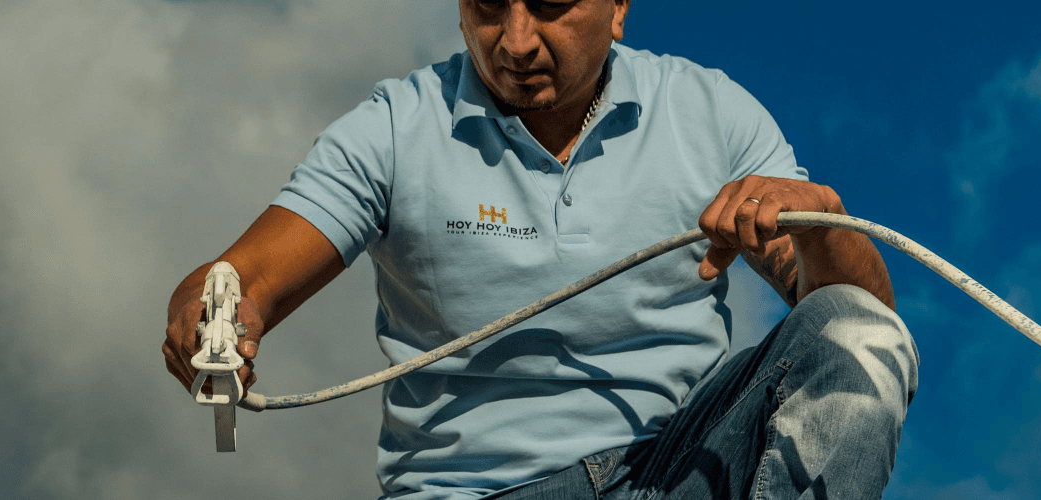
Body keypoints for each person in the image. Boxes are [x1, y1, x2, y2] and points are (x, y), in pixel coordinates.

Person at [162, 1, 918, 498]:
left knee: (856, 337)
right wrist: (211, 319)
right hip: (471, 492)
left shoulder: (711, 113)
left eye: (551, 5)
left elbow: (865, 327)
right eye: (489, 5)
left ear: (618, 7)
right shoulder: (395, 128)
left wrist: (821, 223)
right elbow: (238, 279)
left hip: (669, 474)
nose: (515, 41)